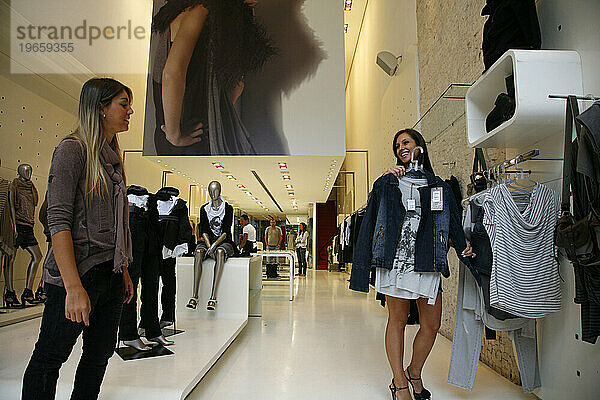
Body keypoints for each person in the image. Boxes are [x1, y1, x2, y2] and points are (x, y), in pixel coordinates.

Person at [22, 78, 135, 400]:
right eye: (123, 104)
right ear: (100, 108)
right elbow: (57, 221)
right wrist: (73, 288)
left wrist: (123, 269)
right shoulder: (72, 150)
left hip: (110, 275)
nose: (130, 111)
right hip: (77, 274)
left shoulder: (112, 157)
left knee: (98, 356)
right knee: (50, 357)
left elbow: (117, 225)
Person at [350, 129, 476, 400]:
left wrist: (461, 242)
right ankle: (400, 382)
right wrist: (362, 267)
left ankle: (414, 372)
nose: (400, 148)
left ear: (419, 144)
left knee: (431, 325)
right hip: (395, 261)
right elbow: (370, 223)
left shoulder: (439, 186)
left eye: (405, 142)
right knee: (397, 320)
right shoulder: (387, 183)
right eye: (397, 145)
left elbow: (453, 220)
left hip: (427, 259)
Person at [149, 0, 276, 155]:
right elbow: (172, 73)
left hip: (200, 129)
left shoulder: (222, 14)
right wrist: (174, 134)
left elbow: (236, 84)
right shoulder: (201, 9)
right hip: (189, 132)